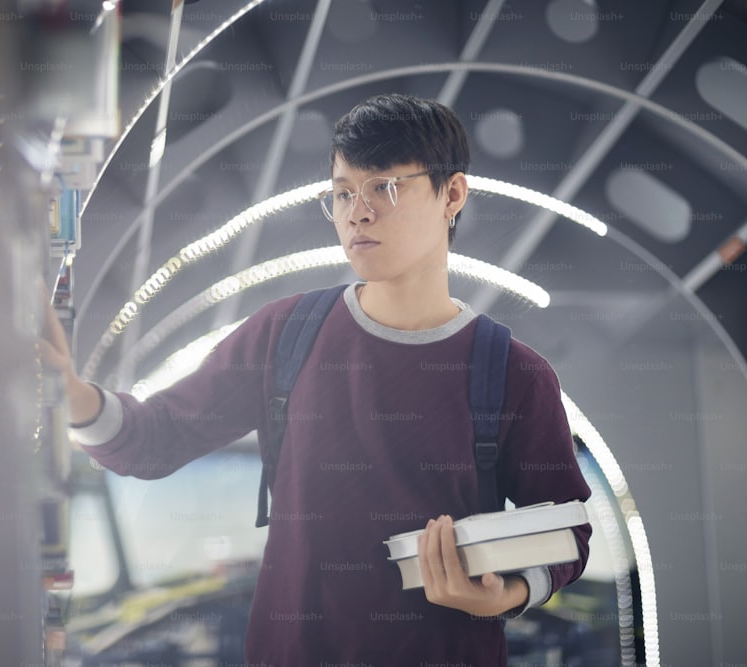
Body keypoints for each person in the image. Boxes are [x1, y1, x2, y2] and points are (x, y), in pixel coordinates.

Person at [42, 94, 592, 666]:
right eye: (343, 193)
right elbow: (153, 440)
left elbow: (568, 529)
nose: (357, 212)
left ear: (451, 194)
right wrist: (74, 397)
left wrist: (506, 594)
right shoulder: (283, 336)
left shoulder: (514, 375)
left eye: (385, 187)